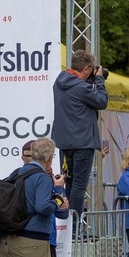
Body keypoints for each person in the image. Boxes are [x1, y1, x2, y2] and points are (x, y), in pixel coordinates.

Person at [51, 49, 108, 220]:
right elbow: (102, 101)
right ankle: (75, 227)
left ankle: (66, 223)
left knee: (67, 182)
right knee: (78, 185)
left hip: (64, 141)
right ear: (86, 69)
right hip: (82, 141)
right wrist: (99, 79)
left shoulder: (59, 81)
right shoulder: (81, 87)